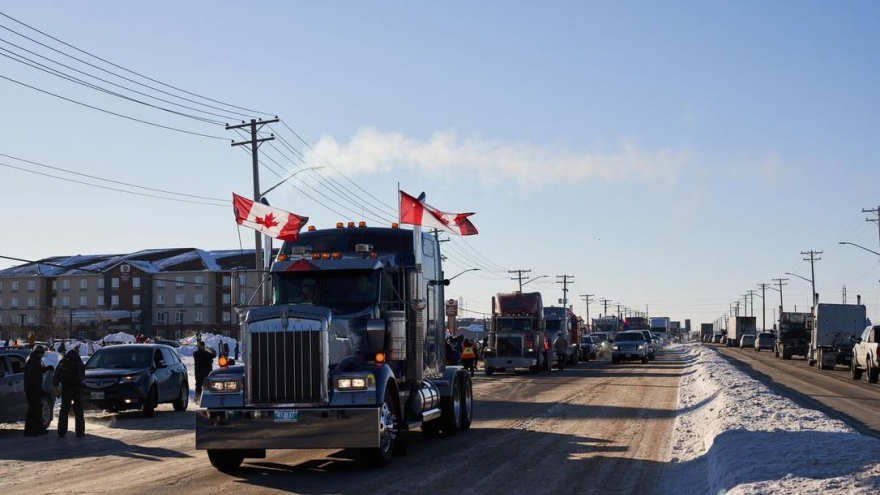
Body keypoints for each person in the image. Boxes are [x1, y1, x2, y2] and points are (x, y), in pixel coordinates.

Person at [53, 345, 86, 438]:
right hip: (78, 388)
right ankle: (80, 432)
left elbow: (57, 375)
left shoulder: (63, 362)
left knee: (64, 410)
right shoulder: (79, 363)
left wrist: (55, 385)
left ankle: (61, 432)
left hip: (66, 388)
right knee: (79, 411)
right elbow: (83, 375)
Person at [24, 345, 51, 437]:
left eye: (41, 354)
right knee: (33, 410)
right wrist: (36, 389)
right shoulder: (31, 361)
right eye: (40, 354)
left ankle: (39, 429)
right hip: (32, 389)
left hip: (35, 388)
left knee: (38, 409)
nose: (41, 355)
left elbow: (38, 371)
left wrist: (46, 368)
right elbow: (31, 377)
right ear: (36, 353)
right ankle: (29, 431)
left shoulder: (35, 360)